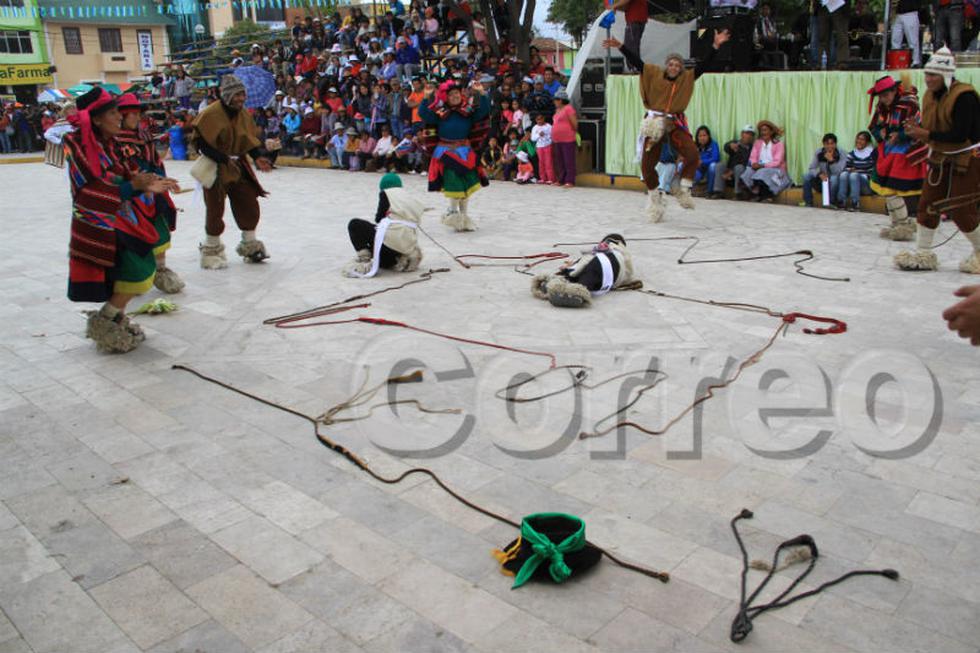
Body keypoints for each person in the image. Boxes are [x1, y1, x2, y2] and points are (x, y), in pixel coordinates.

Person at [64, 87, 179, 352]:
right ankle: (105, 321)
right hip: (98, 220)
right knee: (137, 271)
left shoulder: (109, 144)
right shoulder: (79, 146)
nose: (120, 117)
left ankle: (114, 317)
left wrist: (150, 182)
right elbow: (89, 190)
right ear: (95, 119)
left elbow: (121, 174)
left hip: (120, 216)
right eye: (114, 112)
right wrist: (135, 186)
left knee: (134, 269)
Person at [603, 28, 728, 221]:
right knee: (647, 166)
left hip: (674, 122)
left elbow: (704, 66)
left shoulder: (686, 79)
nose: (674, 67)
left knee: (693, 155)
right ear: (666, 65)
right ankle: (655, 197)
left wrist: (715, 46)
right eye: (671, 63)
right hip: (654, 123)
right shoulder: (653, 74)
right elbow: (637, 62)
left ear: (681, 68)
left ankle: (681, 186)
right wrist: (621, 46)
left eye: (678, 65)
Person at [895, 48, 980, 272]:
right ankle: (923, 252)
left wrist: (925, 135)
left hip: (968, 156)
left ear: (946, 75)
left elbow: (960, 135)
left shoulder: (965, 97)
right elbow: (931, 128)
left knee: (961, 209)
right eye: (927, 74)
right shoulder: (929, 96)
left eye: (933, 75)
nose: (928, 79)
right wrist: (915, 130)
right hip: (939, 156)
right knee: (927, 204)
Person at [194, 75, 274, 269]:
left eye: (242, 94)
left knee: (248, 202)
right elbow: (200, 143)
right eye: (237, 95)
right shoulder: (210, 114)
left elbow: (248, 140)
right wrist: (222, 158)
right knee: (215, 208)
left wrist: (258, 156)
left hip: (238, 166)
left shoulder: (243, 114)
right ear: (227, 95)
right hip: (215, 166)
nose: (241, 99)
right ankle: (212, 249)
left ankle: (250, 244)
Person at [114, 93, 185, 294]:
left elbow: (155, 162)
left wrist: (163, 180)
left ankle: (161, 270)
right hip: (132, 196)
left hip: (153, 193)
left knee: (160, 230)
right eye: (132, 114)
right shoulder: (115, 142)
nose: (137, 118)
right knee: (135, 236)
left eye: (139, 114)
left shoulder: (144, 137)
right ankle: (133, 277)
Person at [418, 79, 491, 231]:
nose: (455, 96)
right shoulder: (440, 113)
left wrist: (481, 93)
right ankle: (452, 212)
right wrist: (426, 97)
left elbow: (484, 111)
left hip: (465, 151)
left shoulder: (468, 111)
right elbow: (423, 114)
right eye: (451, 95)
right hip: (446, 152)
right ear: (446, 97)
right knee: (453, 182)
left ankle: (464, 217)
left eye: (457, 93)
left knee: (466, 183)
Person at [867, 75, 926, 240]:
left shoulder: (909, 104)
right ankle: (896, 224)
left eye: (886, 95)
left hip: (905, 153)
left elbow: (917, 127)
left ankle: (904, 224)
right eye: (881, 96)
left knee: (892, 189)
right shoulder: (882, 107)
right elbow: (874, 126)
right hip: (887, 151)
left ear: (894, 91)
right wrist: (881, 133)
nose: (884, 99)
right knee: (886, 190)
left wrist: (899, 135)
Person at [344, 173, 425, 277]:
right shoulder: (409, 198)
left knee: (355, 224)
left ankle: (364, 258)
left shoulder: (387, 193)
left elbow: (379, 218)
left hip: (389, 245)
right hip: (405, 246)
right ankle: (403, 258)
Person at [531, 234, 635, 308]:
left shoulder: (608, 247)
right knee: (591, 276)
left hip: (601, 263)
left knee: (582, 273)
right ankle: (569, 290)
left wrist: (567, 269)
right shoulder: (624, 256)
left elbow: (585, 260)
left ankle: (564, 288)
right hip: (611, 275)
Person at [740, 120, 790, 202]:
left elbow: (777, 162)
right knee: (748, 171)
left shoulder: (778, 144)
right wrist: (753, 163)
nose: (763, 132)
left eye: (765, 130)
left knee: (763, 172)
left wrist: (762, 166)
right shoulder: (757, 143)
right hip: (759, 167)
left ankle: (767, 196)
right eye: (761, 130)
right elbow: (752, 157)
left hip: (775, 169)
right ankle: (754, 194)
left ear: (771, 132)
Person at [801, 133, 847, 208]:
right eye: (827, 144)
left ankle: (831, 202)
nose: (829, 146)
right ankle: (808, 202)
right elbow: (812, 168)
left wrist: (831, 161)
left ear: (835, 144)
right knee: (806, 176)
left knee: (834, 178)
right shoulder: (819, 152)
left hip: (835, 183)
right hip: (823, 180)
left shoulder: (842, 153)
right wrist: (819, 174)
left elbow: (839, 172)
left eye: (832, 144)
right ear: (823, 144)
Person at [711, 124, 756, 199]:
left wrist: (732, 171)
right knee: (720, 165)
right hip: (728, 173)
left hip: (740, 174)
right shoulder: (736, 143)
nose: (748, 136)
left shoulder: (752, 148)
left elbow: (747, 162)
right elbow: (726, 147)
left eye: (751, 134)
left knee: (739, 167)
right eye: (747, 133)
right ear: (742, 134)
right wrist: (730, 145)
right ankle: (718, 192)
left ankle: (739, 193)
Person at [838, 131, 877, 211]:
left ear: (867, 142)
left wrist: (858, 173)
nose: (859, 141)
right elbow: (846, 167)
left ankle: (855, 203)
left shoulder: (872, 154)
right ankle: (842, 202)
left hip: (867, 185)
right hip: (853, 184)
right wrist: (850, 170)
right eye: (858, 139)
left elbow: (875, 171)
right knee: (844, 174)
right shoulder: (852, 154)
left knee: (854, 175)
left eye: (862, 140)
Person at [609, 0, 649, 72]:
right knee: (633, 46)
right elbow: (626, 6)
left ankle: (634, 68)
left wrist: (614, 6)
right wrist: (616, 7)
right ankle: (636, 68)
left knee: (630, 46)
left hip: (635, 19)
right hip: (638, 19)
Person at [551, 89, 578, 188]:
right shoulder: (557, 110)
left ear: (561, 100)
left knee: (568, 160)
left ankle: (570, 180)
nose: (554, 102)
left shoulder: (568, 108)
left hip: (567, 139)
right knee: (560, 160)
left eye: (556, 100)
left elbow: (574, 123)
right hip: (557, 139)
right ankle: (561, 179)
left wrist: (571, 132)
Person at [818, 0, 850, 68]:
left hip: (840, 5)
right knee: (822, 37)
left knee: (841, 35)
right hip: (823, 6)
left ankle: (842, 62)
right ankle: (822, 62)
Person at [892, 0, 922, 67]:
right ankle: (895, 60)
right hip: (898, 14)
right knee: (895, 38)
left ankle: (915, 62)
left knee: (912, 40)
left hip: (910, 12)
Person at [693, 125, 720, 195]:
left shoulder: (713, 144)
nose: (702, 138)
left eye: (704, 135)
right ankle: (689, 189)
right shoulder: (695, 145)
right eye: (700, 136)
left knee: (712, 166)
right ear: (697, 137)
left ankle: (709, 191)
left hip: (709, 169)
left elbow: (715, 158)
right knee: (682, 166)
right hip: (699, 169)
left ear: (708, 136)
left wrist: (703, 161)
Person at [530, 113, 555, 185]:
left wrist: (549, 141)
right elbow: (533, 138)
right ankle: (543, 178)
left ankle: (550, 178)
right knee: (541, 163)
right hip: (539, 147)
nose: (539, 121)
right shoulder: (535, 127)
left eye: (541, 119)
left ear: (544, 118)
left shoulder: (548, 126)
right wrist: (538, 135)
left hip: (547, 145)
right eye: (538, 119)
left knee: (548, 162)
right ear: (535, 120)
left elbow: (552, 136)